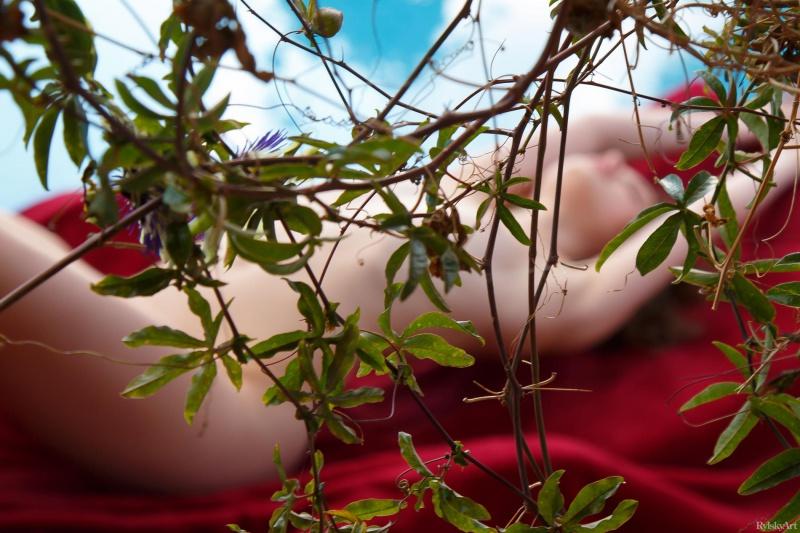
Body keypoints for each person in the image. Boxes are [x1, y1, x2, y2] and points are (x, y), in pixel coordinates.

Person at [0, 89, 797, 530]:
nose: (638, 174)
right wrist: (758, 127)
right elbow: (591, 118)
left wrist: (786, 163)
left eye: (646, 194)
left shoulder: (523, 282)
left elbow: (674, 237)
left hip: (227, 406)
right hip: (172, 319)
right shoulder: (457, 180)